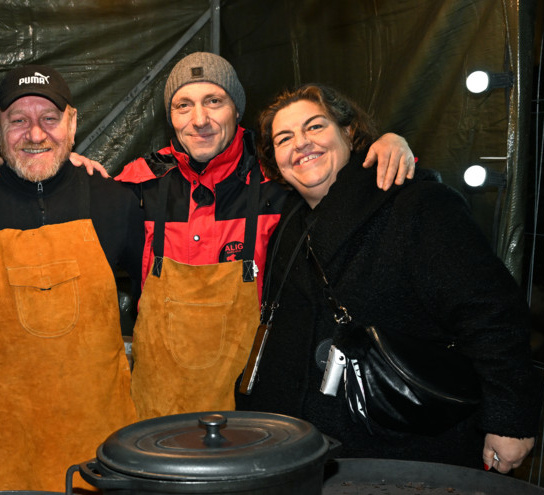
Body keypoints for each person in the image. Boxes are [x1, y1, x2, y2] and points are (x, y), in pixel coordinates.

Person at [236, 82, 537, 472]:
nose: (301, 144)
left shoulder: (416, 204)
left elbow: (491, 313)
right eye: (284, 138)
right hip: (299, 449)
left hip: (401, 449)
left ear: (349, 132)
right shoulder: (288, 229)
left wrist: (510, 419)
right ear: (273, 162)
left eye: (315, 127)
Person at [115, 52, 416, 420]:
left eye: (214, 101)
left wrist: (382, 146)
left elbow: (335, 177)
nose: (200, 120)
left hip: (259, 399)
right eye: (183, 105)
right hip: (160, 405)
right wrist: (76, 172)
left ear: (237, 110)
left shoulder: (280, 177)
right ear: (170, 117)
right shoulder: (139, 183)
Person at [0, 64, 145, 492]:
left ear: (73, 123)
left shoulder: (115, 203)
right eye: (19, 121)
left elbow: (159, 310)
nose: (35, 134)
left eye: (50, 119)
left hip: (97, 446)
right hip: (3, 443)